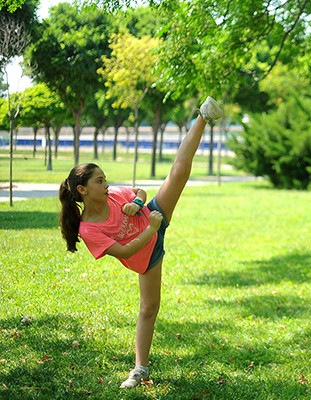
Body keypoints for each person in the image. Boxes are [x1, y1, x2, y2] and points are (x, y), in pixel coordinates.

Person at [58, 97, 223, 388]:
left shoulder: (112, 195)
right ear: (82, 190)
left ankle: (203, 116)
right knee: (149, 308)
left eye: (105, 178)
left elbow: (141, 191)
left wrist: (137, 202)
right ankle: (139, 369)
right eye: (99, 181)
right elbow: (124, 250)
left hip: (152, 216)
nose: (106, 184)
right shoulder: (89, 228)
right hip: (146, 255)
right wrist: (152, 228)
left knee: (179, 172)